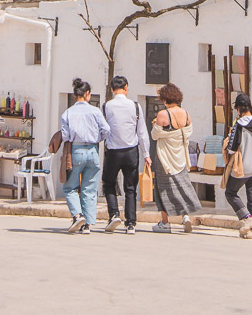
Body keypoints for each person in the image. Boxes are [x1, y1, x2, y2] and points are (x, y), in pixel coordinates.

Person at [101, 75, 151, 233]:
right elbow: (142, 132)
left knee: (108, 183)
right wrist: (146, 154)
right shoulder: (135, 106)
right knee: (130, 187)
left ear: (112, 89)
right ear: (126, 88)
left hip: (113, 152)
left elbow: (103, 130)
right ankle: (131, 223)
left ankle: (114, 214)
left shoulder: (106, 106)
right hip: (131, 152)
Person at [59, 77, 109, 234]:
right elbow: (106, 130)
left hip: (76, 150)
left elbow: (65, 135)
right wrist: (97, 140)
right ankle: (87, 223)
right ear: (87, 94)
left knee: (70, 187)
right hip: (93, 150)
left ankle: (77, 215)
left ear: (75, 95)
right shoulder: (95, 111)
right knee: (89, 188)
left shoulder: (68, 113)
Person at [150, 82, 201, 233]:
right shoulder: (186, 114)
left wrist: (155, 125)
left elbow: (155, 135)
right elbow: (188, 132)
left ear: (165, 99)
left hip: (165, 157)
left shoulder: (162, 115)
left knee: (163, 190)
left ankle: (165, 223)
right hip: (180, 157)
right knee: (181, 186)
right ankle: (185, 217)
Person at [222, 93, 252, 239]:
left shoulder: (239, 125)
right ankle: (249, 228)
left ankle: (246, 217)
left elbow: (232, 148)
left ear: (238, 109)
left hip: (242, 167)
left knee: (230, 193)